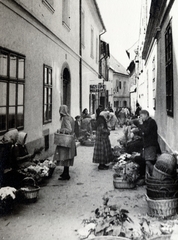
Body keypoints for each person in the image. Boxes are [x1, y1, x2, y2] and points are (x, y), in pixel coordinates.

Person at [53, 105, 76, 180]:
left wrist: (61, 130)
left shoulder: (65, 118)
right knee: (67, 157)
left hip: (66, 140)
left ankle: (66, 174)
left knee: (65, 157)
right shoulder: (70, 117)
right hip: (70, 140)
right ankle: (65, 172)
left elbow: (69, 129)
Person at [138, 110, 161, 176]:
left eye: (141, 116)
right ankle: (148, 176)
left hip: (151, 145)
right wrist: (141, 125)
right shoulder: (146, 122)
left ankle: (156, 175)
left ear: (146, 115)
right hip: (147, 145)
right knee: (146, 161)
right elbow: (142, 132)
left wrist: (141, 125)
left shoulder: (151, 122)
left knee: (148, 161)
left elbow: (146, 132)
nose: (140, 118)